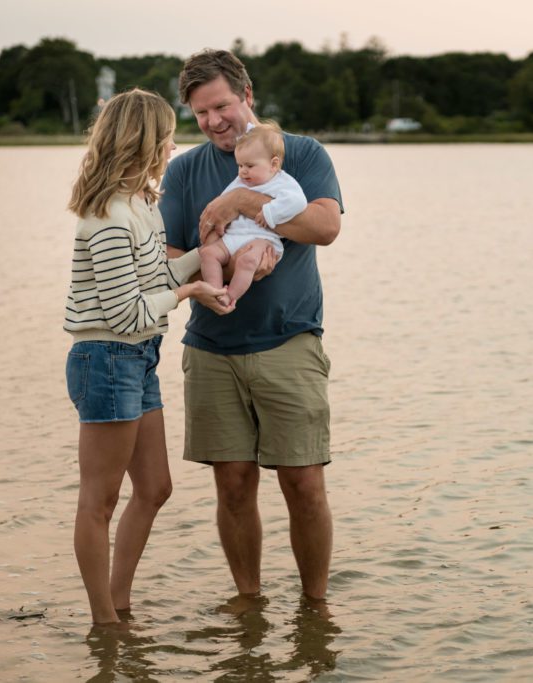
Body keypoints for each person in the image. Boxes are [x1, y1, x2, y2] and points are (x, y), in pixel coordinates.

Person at [160, 49, 343, 601]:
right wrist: (208, 262)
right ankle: (250, 601)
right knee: (233, 486)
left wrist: (244, 201)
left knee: (304, 484)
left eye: (221, 106)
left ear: (247, 95)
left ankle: (315, 609)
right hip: (212, 347)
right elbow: (171, 258)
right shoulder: (185, 169)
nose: (214, 121)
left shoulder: (302, 153)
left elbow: (325, 226)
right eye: (200, 114)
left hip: (290, 340)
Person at [63, 88, 229, 625]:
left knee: (155, 487)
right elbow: (127, 315)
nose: (172, 144)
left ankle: (119, 605)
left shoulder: (141, 206)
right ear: (146, 141)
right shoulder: (109, 215)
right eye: (167, 135)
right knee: (99, 501)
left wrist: (203, 258)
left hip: (138, 358)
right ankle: (103, 621)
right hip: (108, 357)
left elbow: (152, 280)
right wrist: (190, 292)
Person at [199, 122, 307, 308]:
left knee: (247, 262)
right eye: (239, 165)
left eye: (249, 165)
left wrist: (270, 211)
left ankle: (230, 297)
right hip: (234, 237)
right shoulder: (240, 181)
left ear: (273, 164)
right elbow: (222, 206)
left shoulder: (282, 183)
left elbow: (298, 202)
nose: (242, 171)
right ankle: (215, 292)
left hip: (263, 239)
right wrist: (217, 230)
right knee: (208, 253)